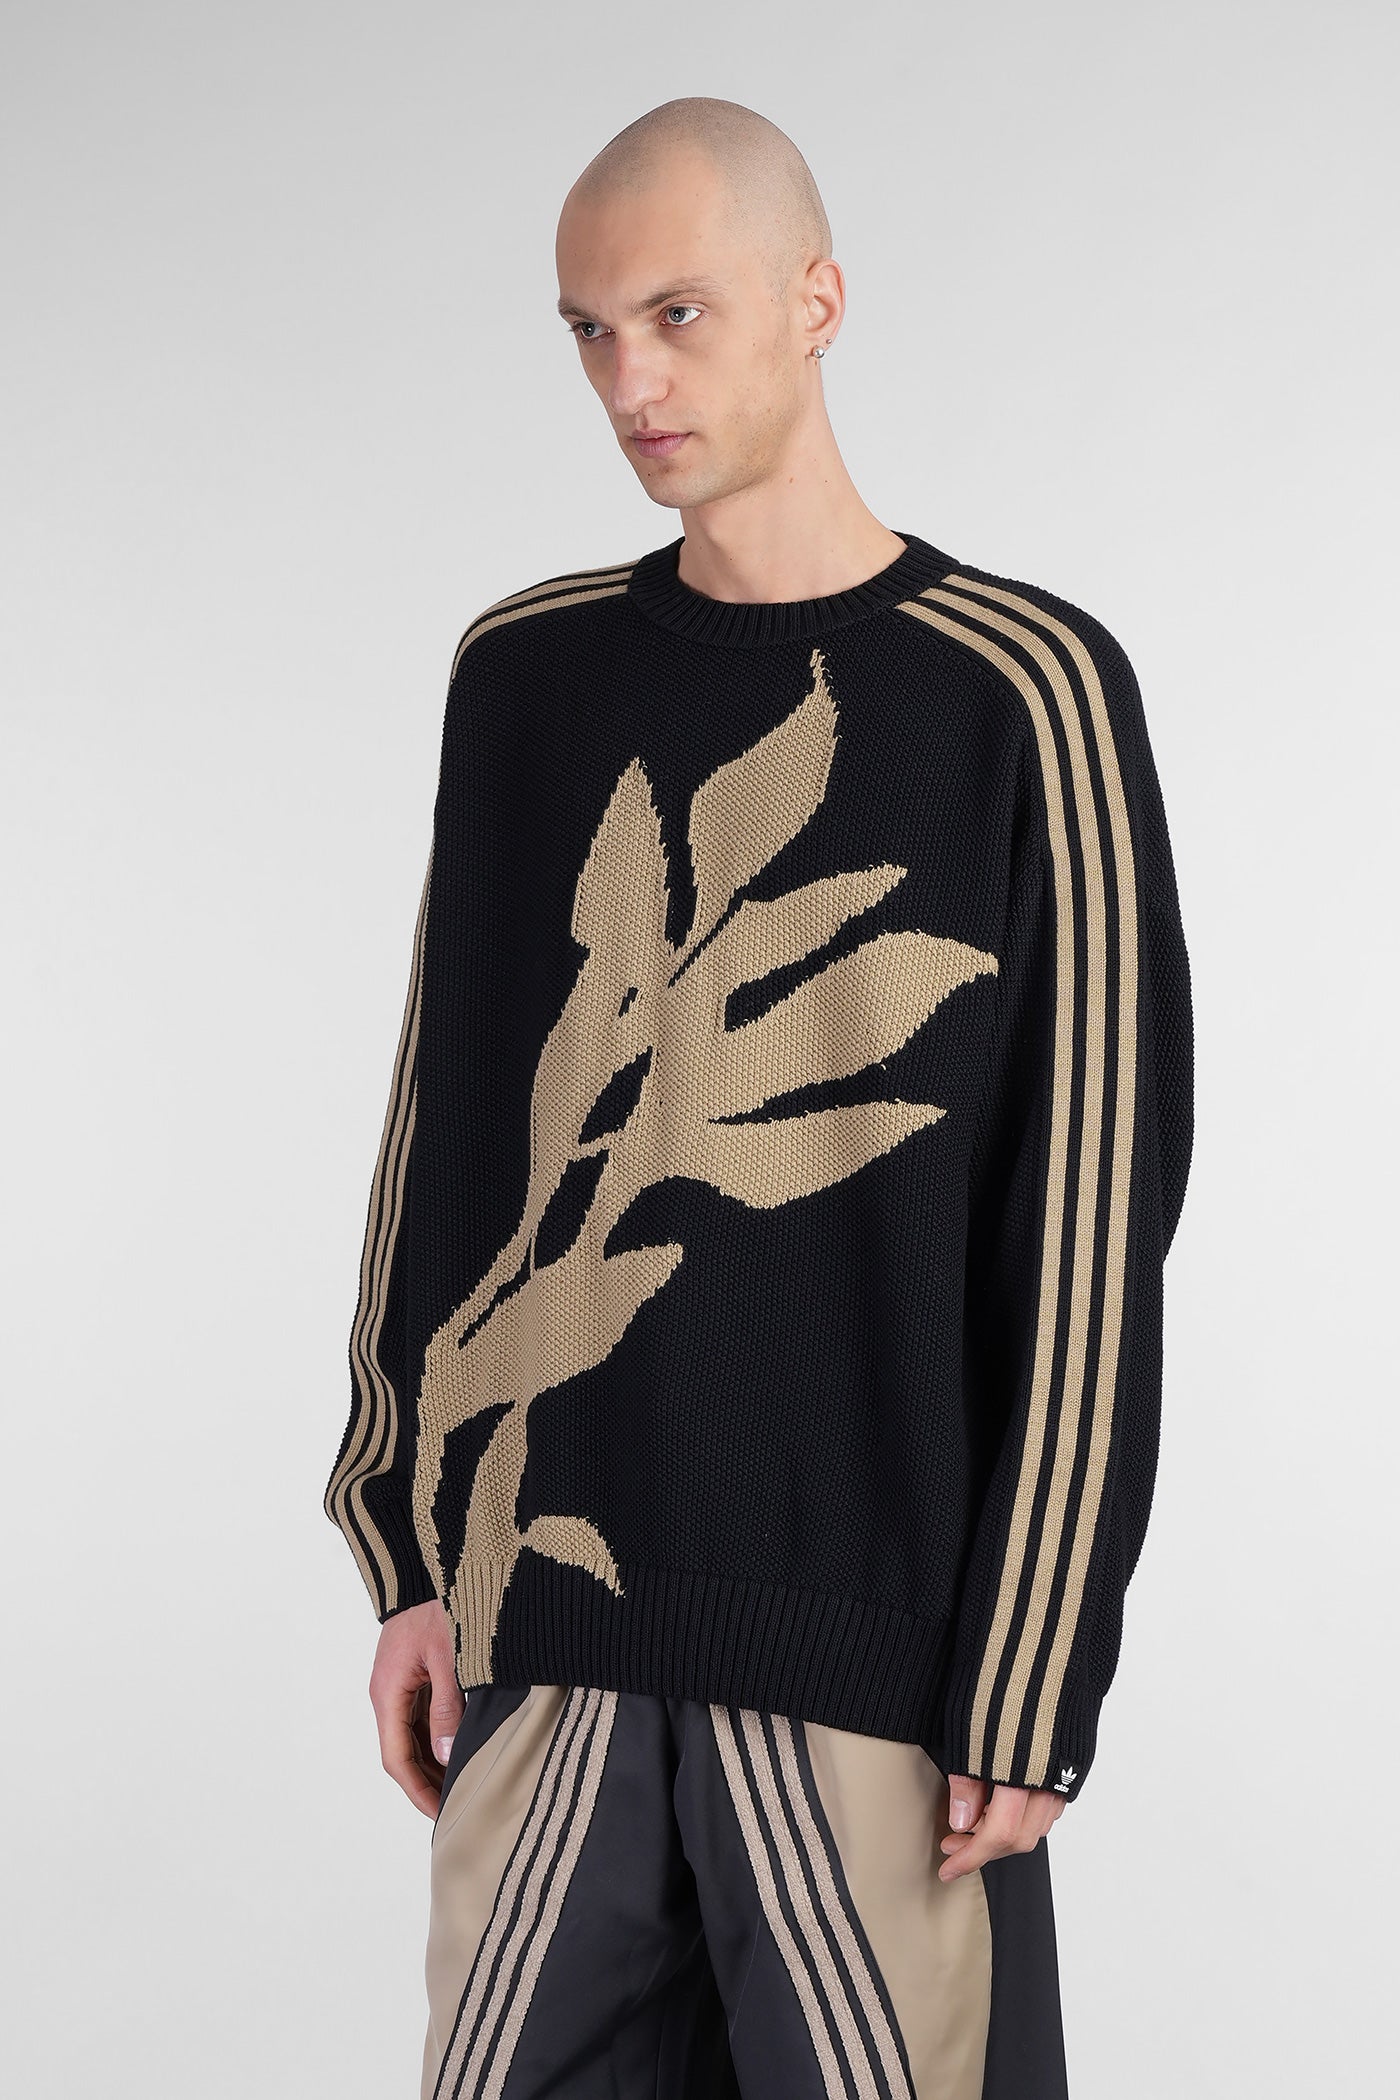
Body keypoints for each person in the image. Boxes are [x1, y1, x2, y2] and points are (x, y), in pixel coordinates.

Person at [324, 95, 1194, 2100]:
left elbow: (1087, 1210)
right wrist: (413, 1543)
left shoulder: (1021, 690)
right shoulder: (523, 673)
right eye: (589, 330)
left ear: (817, 301)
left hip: (865, 1653)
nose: (631, 381)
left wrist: (1035, 1657)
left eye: (678, 315)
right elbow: (442, 1127)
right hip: (547, 1623)